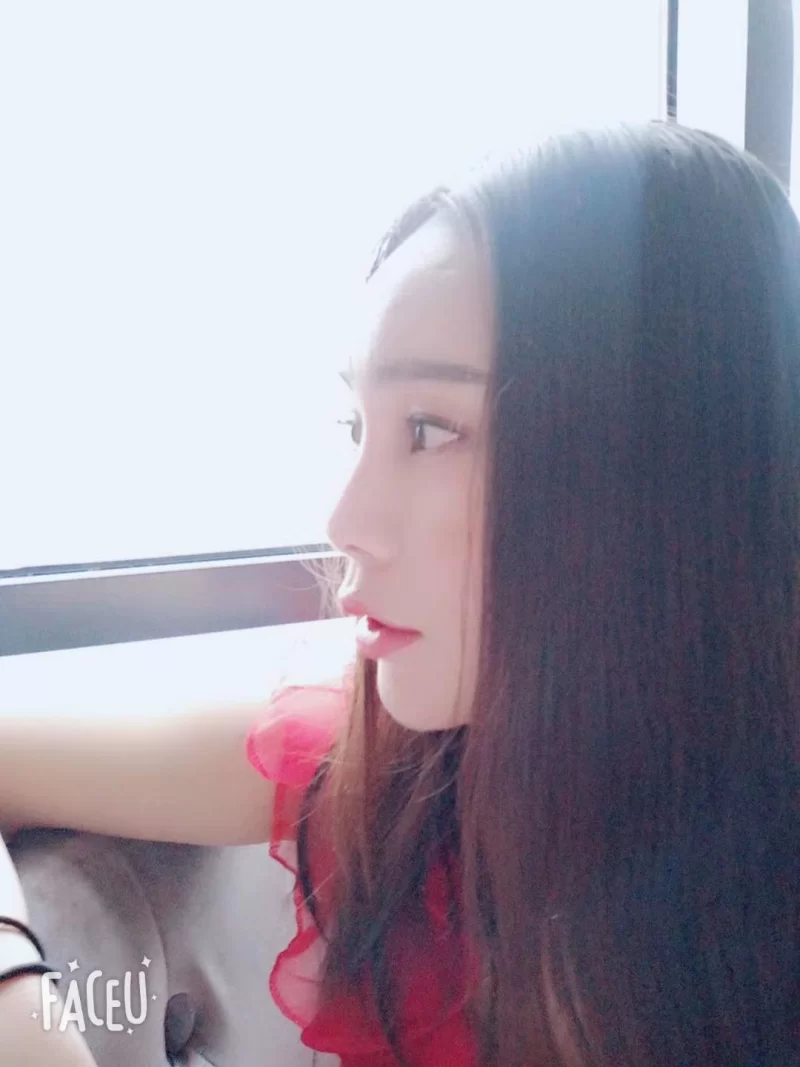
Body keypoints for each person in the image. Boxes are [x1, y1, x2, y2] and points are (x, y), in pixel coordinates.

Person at [1, 120, 799, 1066]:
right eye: (357, 425)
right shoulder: (398, 776)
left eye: (429, 429)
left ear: (668, 476)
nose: (344, 520)